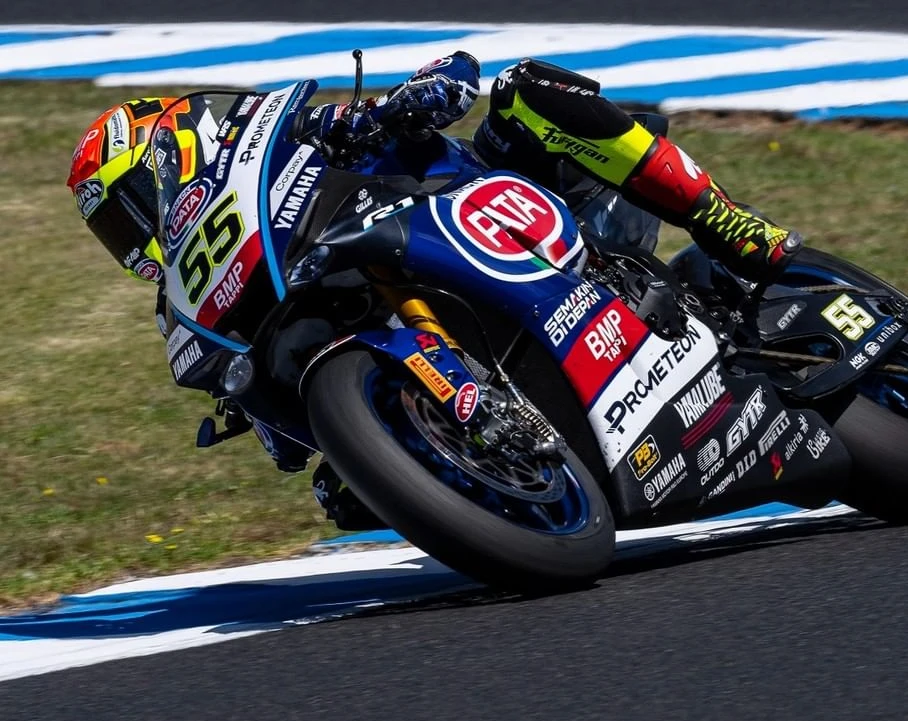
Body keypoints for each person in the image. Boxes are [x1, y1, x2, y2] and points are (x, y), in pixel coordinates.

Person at [66, 52, 802, 527]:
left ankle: (729, 223)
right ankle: (488, 456)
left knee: (525, 92)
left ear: (172, 154)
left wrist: (409, 100)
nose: (134, 239)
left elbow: (451, 77)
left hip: (501, 210)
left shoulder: (279, 143)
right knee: (347, 497)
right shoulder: (189, 309)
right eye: (116, 233)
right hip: (406, 316)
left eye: (132, 207)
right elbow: (282, 437)